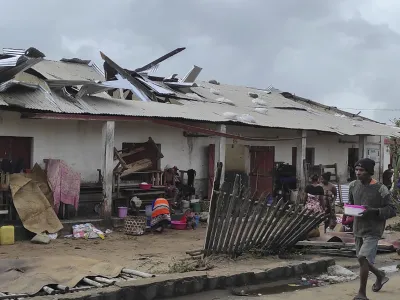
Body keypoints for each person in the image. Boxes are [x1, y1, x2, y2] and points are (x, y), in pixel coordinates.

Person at [349, 158, 397, 300]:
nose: (358, 173)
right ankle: (380, 275)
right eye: (356, 170)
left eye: (361, 170)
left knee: (363, 257)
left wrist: (374, 211)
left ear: (370, 172)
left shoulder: (381, 189)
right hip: (358, 228)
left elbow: (392, 210)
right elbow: (352, 204)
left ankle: (362, 293)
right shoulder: (353, 186)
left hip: (373, 229)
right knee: (361, 260)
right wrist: (349, 210)